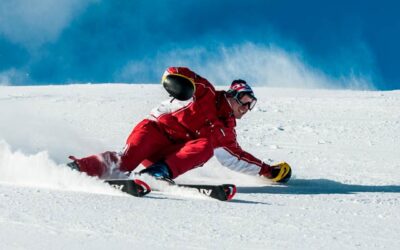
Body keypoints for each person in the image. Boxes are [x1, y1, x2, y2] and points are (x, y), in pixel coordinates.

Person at [68, 67, 291, 183]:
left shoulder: (226, 131)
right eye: (245, 101)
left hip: (169, 155)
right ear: (232, 95)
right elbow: (177, 71)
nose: (246, 108)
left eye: (250, 105)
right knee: (126, 161)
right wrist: (176, 83)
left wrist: (268, 171)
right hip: (154, 131)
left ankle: (156, 174)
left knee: (205, 147)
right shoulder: (206, 92)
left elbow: (237, 159)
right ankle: (79, 168)